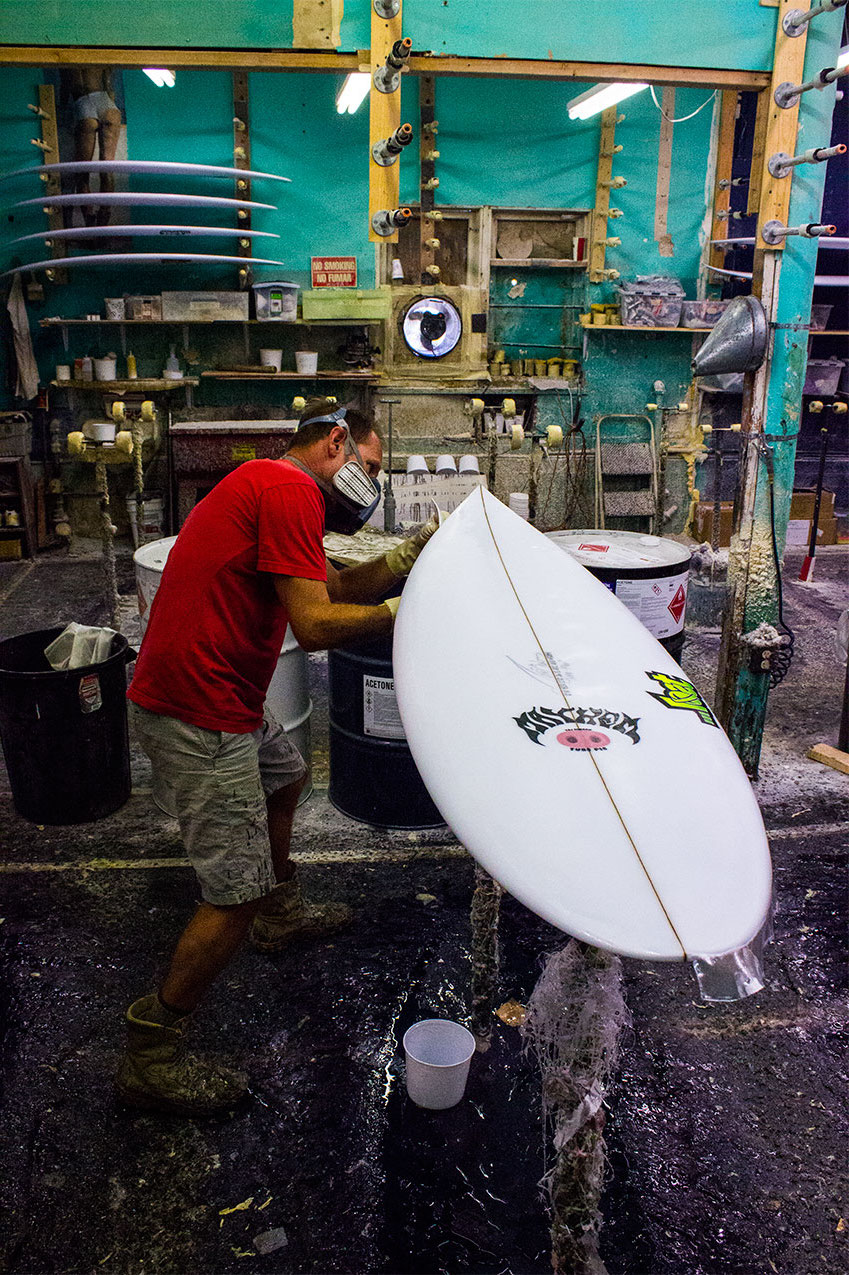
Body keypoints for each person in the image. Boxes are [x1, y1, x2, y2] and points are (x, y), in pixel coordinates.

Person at [117, 399, 438, 1115]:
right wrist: (407, 611)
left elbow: (330, 588)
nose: (371, 483)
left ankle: (281, 913)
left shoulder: (273, 483)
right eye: (371, 465)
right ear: (336, 443)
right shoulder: (290, 489)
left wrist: (404, 559)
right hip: (197, 708)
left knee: (286, 776)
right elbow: (317, 624)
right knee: (232, 893)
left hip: (217, 690)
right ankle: (152, 1051)